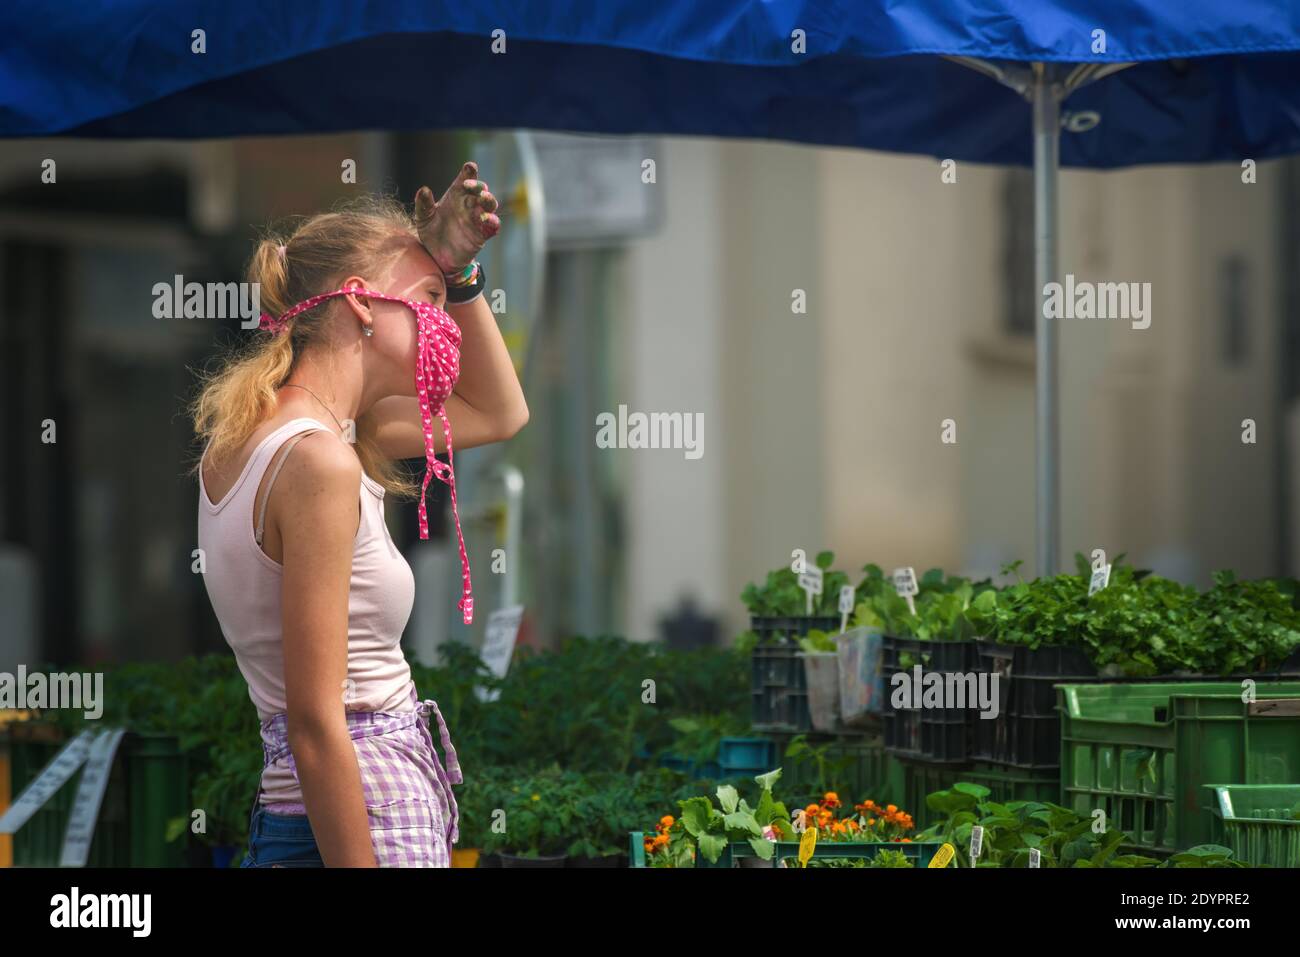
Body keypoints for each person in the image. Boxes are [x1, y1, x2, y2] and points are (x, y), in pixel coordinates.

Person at [191, 163, 527, 867]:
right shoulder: (320, 459)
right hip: (362, 813)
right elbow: (318, 722)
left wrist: (457, 273)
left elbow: (501, 411)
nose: (447, 325)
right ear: (363, 306)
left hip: (303, 810)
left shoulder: (278, 435)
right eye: (431, 299)